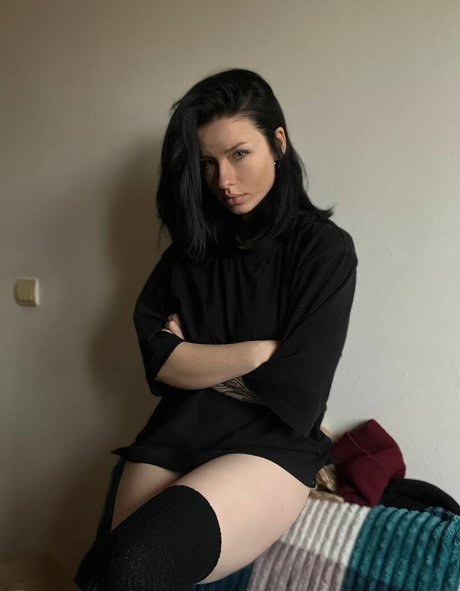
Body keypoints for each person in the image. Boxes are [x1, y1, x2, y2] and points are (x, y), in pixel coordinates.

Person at [75, 68, 357, 591]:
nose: (223, 179)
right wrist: (258, 352)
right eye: (208, 163)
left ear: (278, 143)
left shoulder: (324, 249)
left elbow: (299, 389)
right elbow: (157, 360)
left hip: (269, 445)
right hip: (177, 430)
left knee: (129, 566)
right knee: (104, 574)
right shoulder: (193, 250)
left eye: (239, 154)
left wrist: (195, 357)